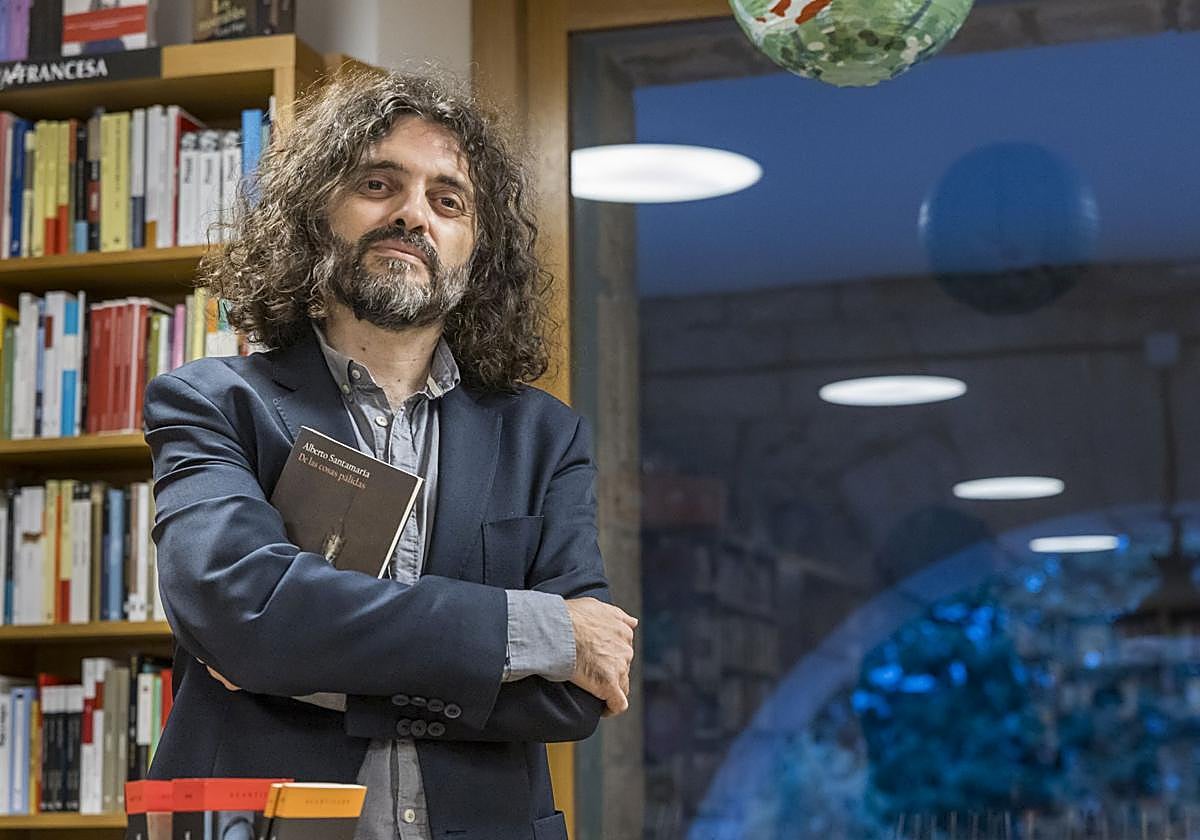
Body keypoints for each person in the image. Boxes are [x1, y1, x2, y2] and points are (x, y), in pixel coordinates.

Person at [143, 70, 637, 840]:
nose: (413, 214)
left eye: (449, 200)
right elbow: (241, 611)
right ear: (317, 215)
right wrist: (536, 633)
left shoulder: (547, 438)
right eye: (379, 184)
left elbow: (576, 694)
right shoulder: (209, 403)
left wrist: (308, 665)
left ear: (476, 253)